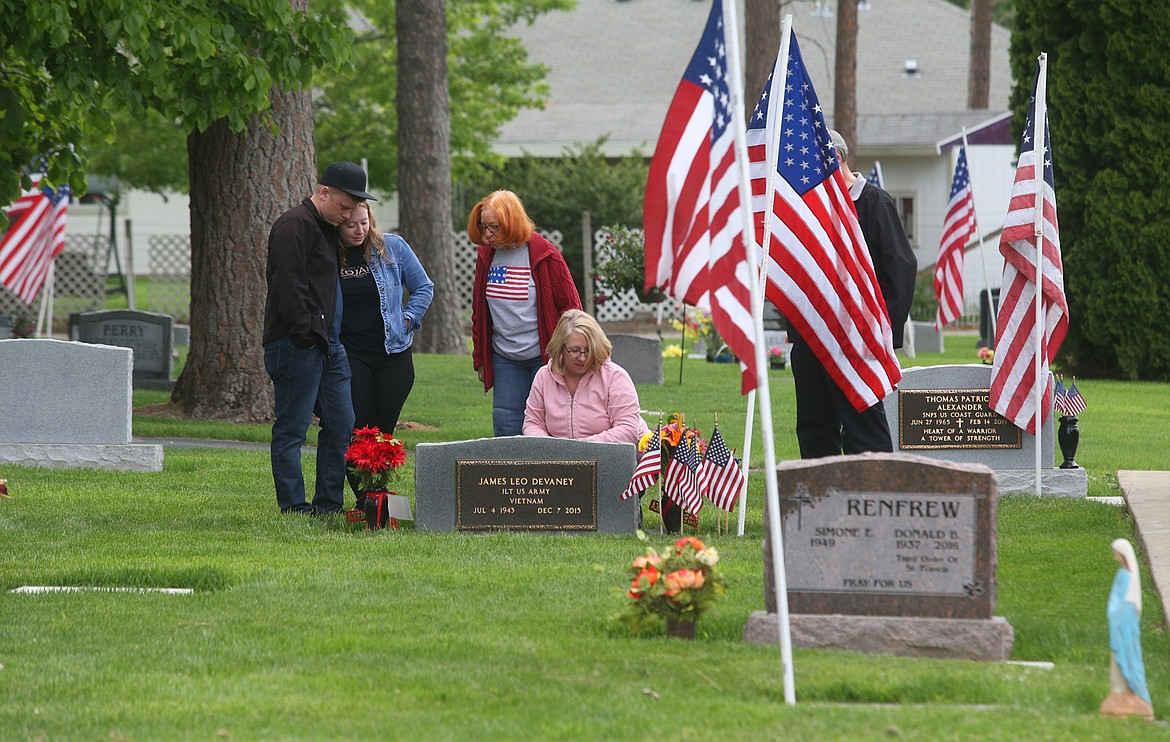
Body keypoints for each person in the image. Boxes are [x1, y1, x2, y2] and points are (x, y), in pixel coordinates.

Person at [788, 130, 917, 458]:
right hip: (813, 340)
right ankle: (821, 499)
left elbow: (900, 269)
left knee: (864, 430)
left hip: (857, 341)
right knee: (815, 431)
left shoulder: (874, 202)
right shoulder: (808, 207)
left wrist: (880, 332)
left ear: (837, 158)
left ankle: (876, 495)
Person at [262, 161, 373, 515]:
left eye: (352, 210)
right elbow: (288, 286)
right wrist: (308, 334)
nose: (346, 216)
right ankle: (294, 506)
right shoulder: (294, 225)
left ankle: (328, 504)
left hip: (329, 344)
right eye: (343, 207)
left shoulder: (326, 226)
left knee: (342, 424)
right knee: (292, 429)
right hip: (297, 343)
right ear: (323, 193)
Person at [337, 202, 434, 510]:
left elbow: (423, 287)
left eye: (364, 222)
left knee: (383, 433)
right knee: (359, 430)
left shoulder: (391, 247)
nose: (359, 230)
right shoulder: (329, 254)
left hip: (394, 353)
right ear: (338, 224)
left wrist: (407, 318)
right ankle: (364, 500)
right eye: (351, 224)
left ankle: (378, 501)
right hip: (352, 354)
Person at [469, 190, 582, 436]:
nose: (487, 234)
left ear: (511, 223)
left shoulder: (544, 254)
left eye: (494, 227)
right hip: (505, 357)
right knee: (506, 425)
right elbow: (479, 313)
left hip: (544, 357)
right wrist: (480, 359)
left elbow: (571, 307)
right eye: (484, 226)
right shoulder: (487, 256)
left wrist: (568, 354)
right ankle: (508, 474)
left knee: (549, 424)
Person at [523, 309, 650, 443]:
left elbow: (628, 429)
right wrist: (549, 448)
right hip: (562, 457)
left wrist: (583, 448)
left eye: (588, 350)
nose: (583, 358)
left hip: (613, 455)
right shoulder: (544, 377)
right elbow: (533, 423)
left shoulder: (615, 376)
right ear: (560, 348)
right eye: (575, 350)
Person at [1100, 538, 1154, 720]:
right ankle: (1119, 691)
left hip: (1125, 624)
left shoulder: (1128, 577)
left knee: (1128, 655)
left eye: (1116, 553)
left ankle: (1133, 693)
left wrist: (1117, 613)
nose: (1114, 556)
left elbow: (1128, 602)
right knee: (1117, 658)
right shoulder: (1122, 575)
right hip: (1119, 622)